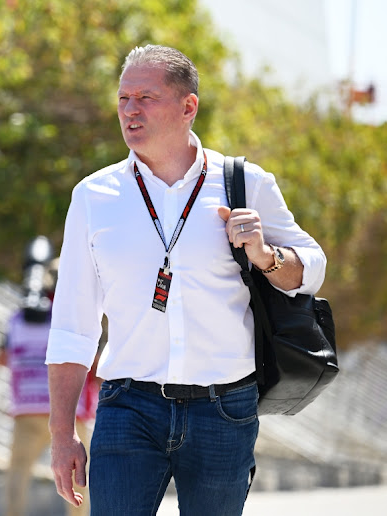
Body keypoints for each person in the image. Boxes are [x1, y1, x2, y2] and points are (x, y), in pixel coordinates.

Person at [46, 44, 326, 516]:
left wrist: (264, 255)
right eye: (123, 99)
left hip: (225, 411)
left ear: (187, 106)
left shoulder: (244, 183)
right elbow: (73, 325)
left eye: (145, 98)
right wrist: (61, 436)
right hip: (126, 408)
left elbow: (312, 269)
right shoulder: (94, 196)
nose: (130, 111)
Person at [0, 238, 99, 516]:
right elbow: (94, 364)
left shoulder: (17, 318)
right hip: (71, 411)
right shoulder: (72, 318)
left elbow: (2, 357)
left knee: (18, 474)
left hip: (27, 410)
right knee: (80, 480)